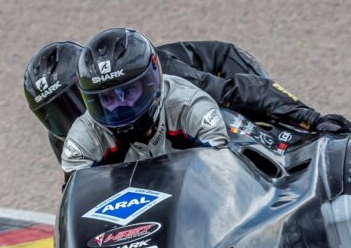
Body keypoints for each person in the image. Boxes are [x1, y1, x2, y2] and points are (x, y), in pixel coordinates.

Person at [23, 37, 351, 164]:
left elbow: (235, 92)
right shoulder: (68, 139)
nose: (71, 120)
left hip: (225, 75)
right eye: (55, 115)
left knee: (227, 112)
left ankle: (297, 147)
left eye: (72, 104)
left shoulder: (162, 82)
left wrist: (312, 118)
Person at [59, 28, 229, 173]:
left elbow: (221, 175)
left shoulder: (190, 107)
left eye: (128, 91)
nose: (120, 105)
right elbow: (76, 205)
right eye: (108, 98)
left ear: (151, 81)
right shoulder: (83, 138)